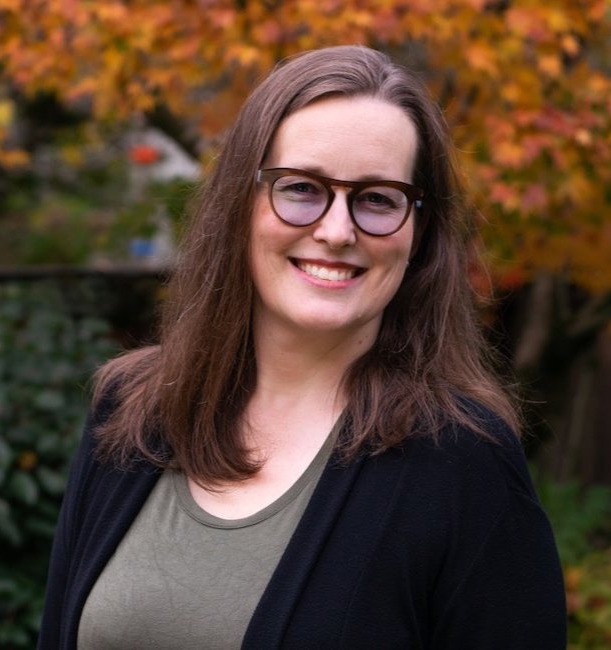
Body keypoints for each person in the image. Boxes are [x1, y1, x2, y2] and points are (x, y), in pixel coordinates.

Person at [38, 45, 567, 649]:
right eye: (301, 188)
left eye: (377, 199)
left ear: (419, 234)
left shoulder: (462, 463)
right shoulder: (132, 411)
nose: (337, 231)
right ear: (241, 204)